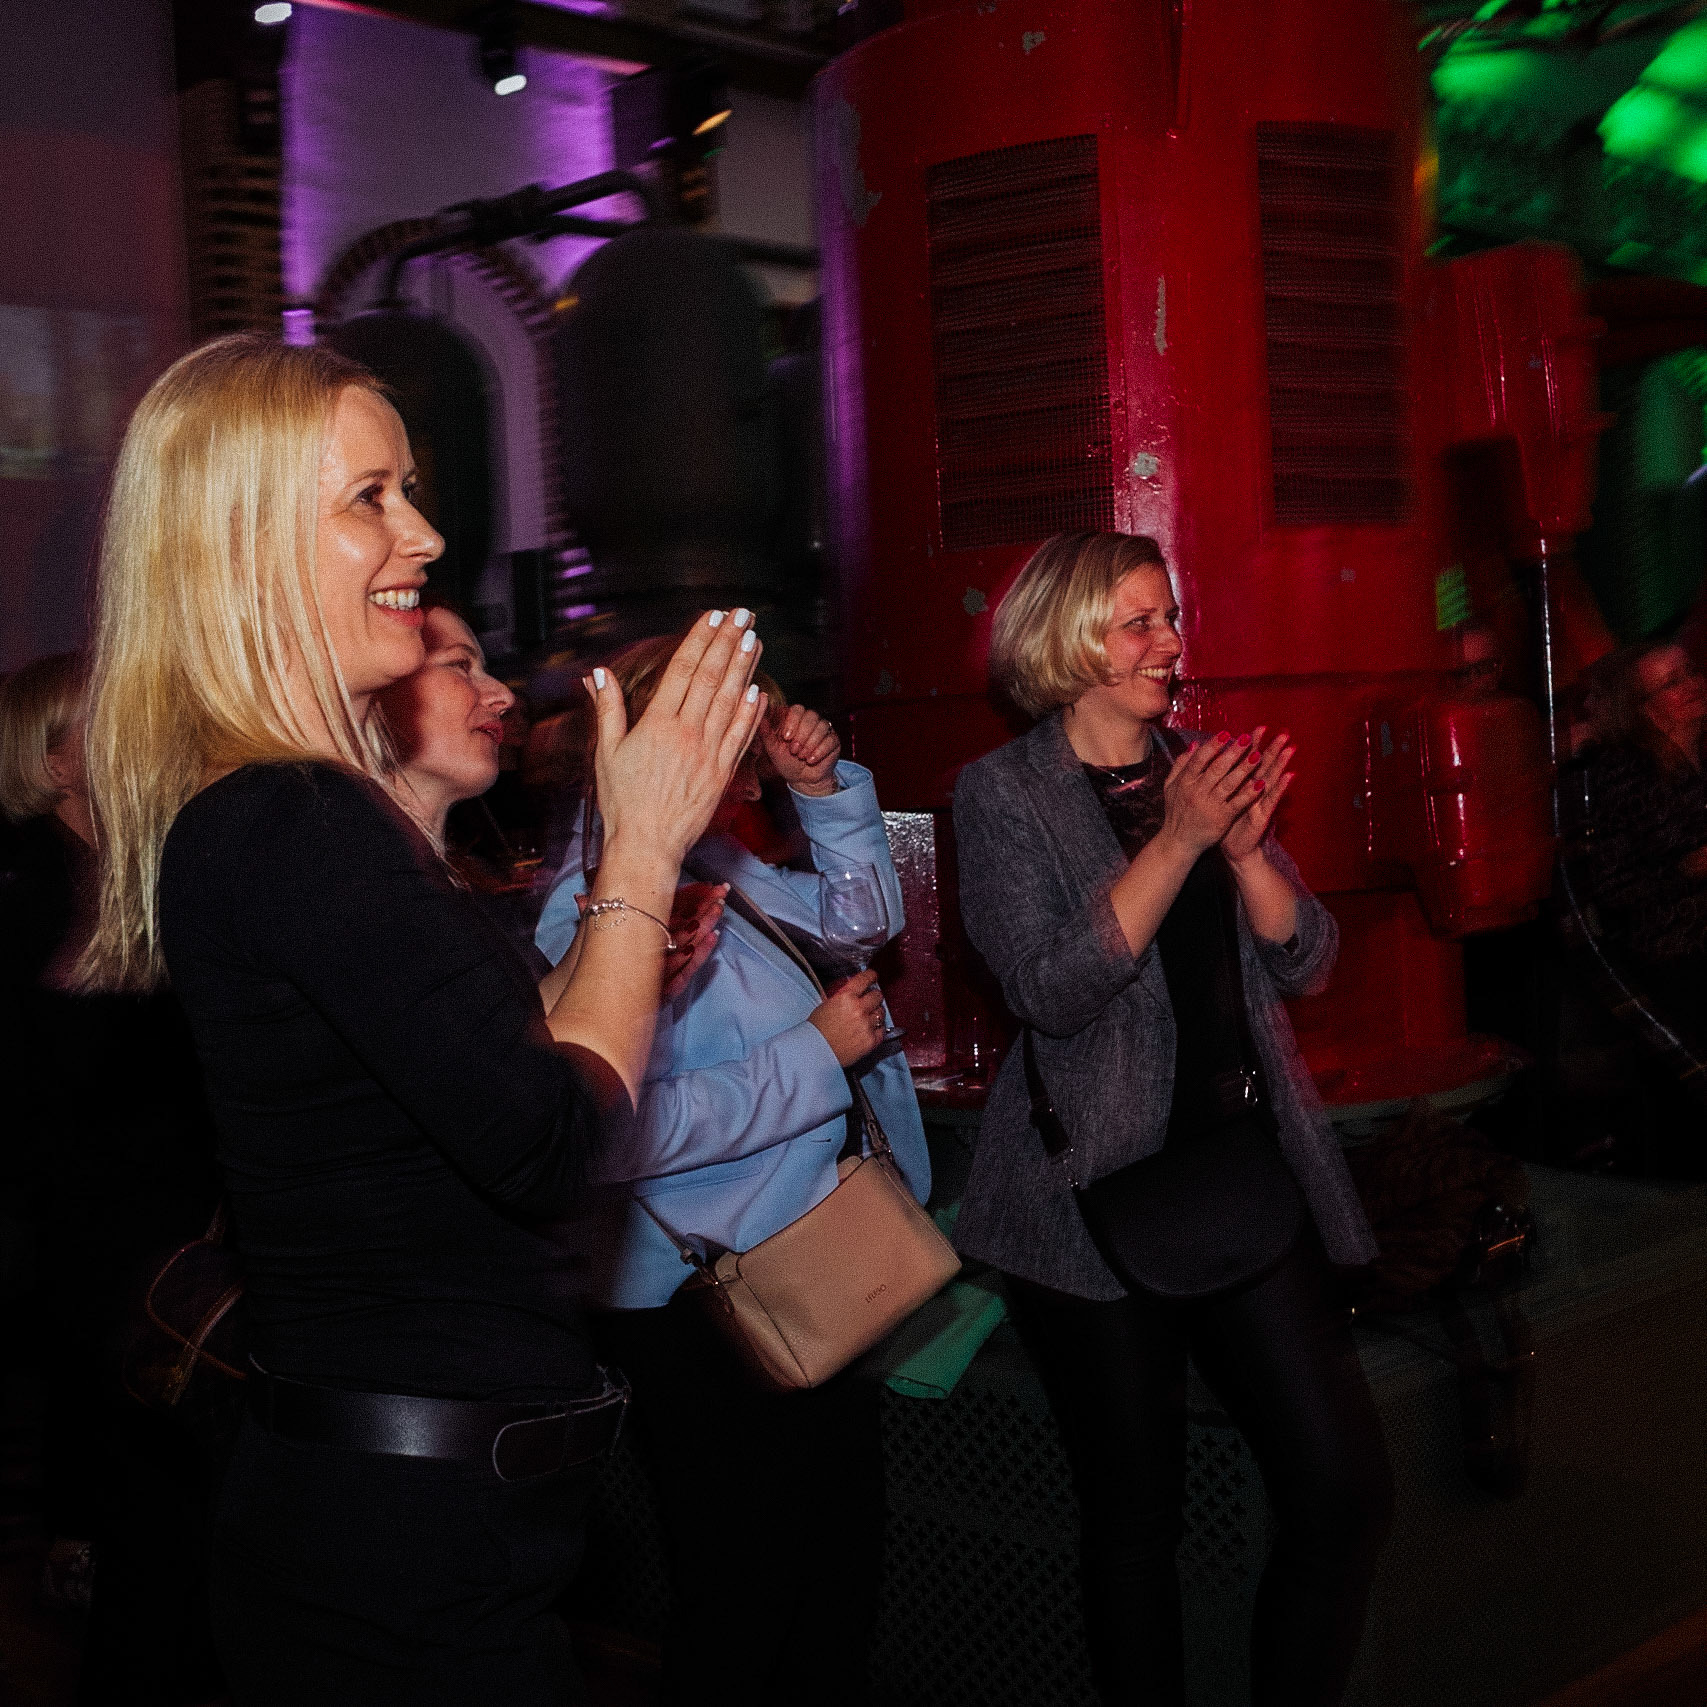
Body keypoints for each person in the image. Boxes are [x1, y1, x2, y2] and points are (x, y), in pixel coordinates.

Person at [74, 332, 766, 1706]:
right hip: (397, 1546)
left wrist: (618, 946)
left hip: (416, 1525)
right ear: (244, 550)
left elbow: (469, 1075)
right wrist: (639, 848)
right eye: (369, 497)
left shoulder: (307, 816)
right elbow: (548, 1140)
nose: (427, 534)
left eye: (409, 491)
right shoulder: (291, 818)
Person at [951, 532, 1392, 1707]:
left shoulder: (1197, 767)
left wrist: (1243, 855)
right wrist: (1179, 843)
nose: (1169, 643)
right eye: (1138, 621)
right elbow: (1049, 989)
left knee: (1342, 1489)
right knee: (1134, 1523)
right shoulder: (1003, 794)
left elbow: (1308, 959)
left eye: (1172, 616)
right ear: (1068, 640)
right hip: (1088, 1199)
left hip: (1239, 1170)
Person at [534, 631, 930, 1707]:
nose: (752, 765)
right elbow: (619, 1130)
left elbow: (861, 923)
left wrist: (825, 795)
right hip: (702, 1303)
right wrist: (814, 1055)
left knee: (833, 1576)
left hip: (808, 1260)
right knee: (743, 1595)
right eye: (735, 739)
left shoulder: (718, 866)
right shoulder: (595, 905)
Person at [0, 652, 223, 1704]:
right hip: (95, 1231)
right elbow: (59, 1072)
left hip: (176, 1218)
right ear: (51, 762)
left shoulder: (153, 857)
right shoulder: (26, 881)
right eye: (106, 717)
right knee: (148, 1513)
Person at [1581, 638, 1707, 1041]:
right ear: (1646, 709)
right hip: (1676, 952)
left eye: (1690, 672)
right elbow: (1615, 885)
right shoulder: (1627, 771)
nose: (1691, 685)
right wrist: (1687, 869)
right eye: (1672, 683)